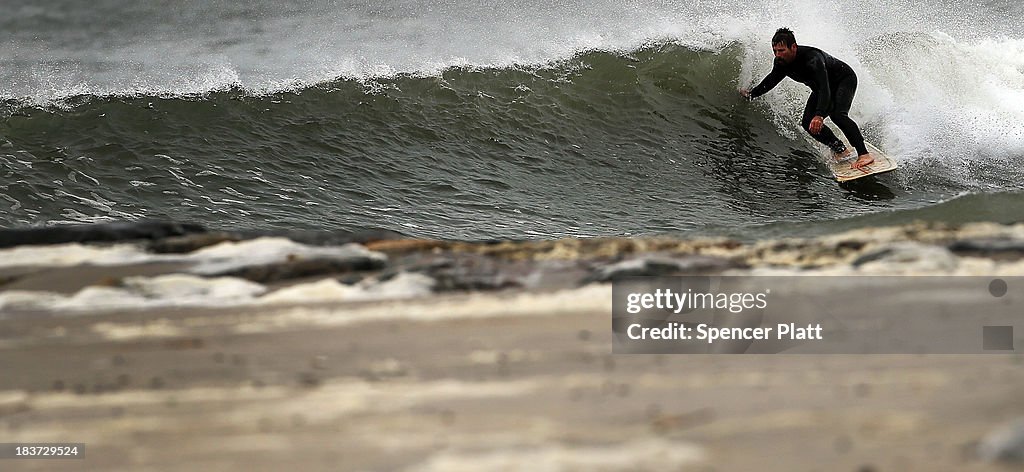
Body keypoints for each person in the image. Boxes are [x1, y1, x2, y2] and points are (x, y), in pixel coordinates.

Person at [740, 27, 874, 169]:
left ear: (793, 47)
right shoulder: (781, 62)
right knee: (807, 123)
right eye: (775, 51)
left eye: (781, 50)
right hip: (821, 88)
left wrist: (820, 115)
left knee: (838, 115)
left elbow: (824, 87)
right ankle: (840, 150)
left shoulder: (812, 59)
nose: (777, 55)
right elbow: (772, 80)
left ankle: (864, 154)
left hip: (843, 80)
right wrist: (752, 94)